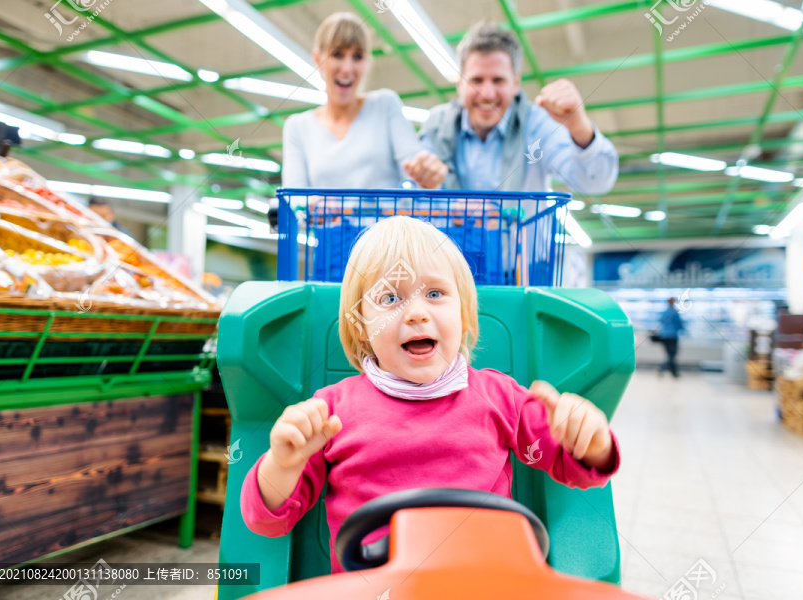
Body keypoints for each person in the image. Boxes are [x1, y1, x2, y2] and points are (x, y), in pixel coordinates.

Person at [240, 216, 621, 574]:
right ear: (360, 329)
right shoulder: (329, 413)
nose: (416, 314)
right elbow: (267, 520)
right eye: (390, 299)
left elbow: (578, 468)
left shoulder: (501, 397)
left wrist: (590, 439)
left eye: (435, 293)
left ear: (465, 315)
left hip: (484, 583)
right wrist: (283, 465)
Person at [413, 22, 618, 195]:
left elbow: (595, 183)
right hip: (449, 243)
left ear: (515, 84)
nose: (487, 93)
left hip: (519, 244)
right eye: (476, 79)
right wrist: (424, 184)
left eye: (498, 80)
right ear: (460, 83)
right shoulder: (436, 125)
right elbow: (410, 192)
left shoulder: (538, 124)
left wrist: (579, 128)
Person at [281, 13, 447, 191]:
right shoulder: (297, 127)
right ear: (317, 59)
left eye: (357, 57)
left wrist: (427, 176)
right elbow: (293, 196)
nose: (347, 69)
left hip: (386, 219)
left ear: (367, 62)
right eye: (337, 55)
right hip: (324, 219)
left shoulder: (385, 105)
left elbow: (414, 169)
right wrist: (310, 204)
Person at [657, 297, 685, 378]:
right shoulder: (675, 313)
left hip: (664, 336)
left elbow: (661, 321)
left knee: (669, 354)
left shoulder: (664, 313)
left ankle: (674, 373)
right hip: (673, 336)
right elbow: (679, 324)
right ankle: (662, 368)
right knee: (672, 355)